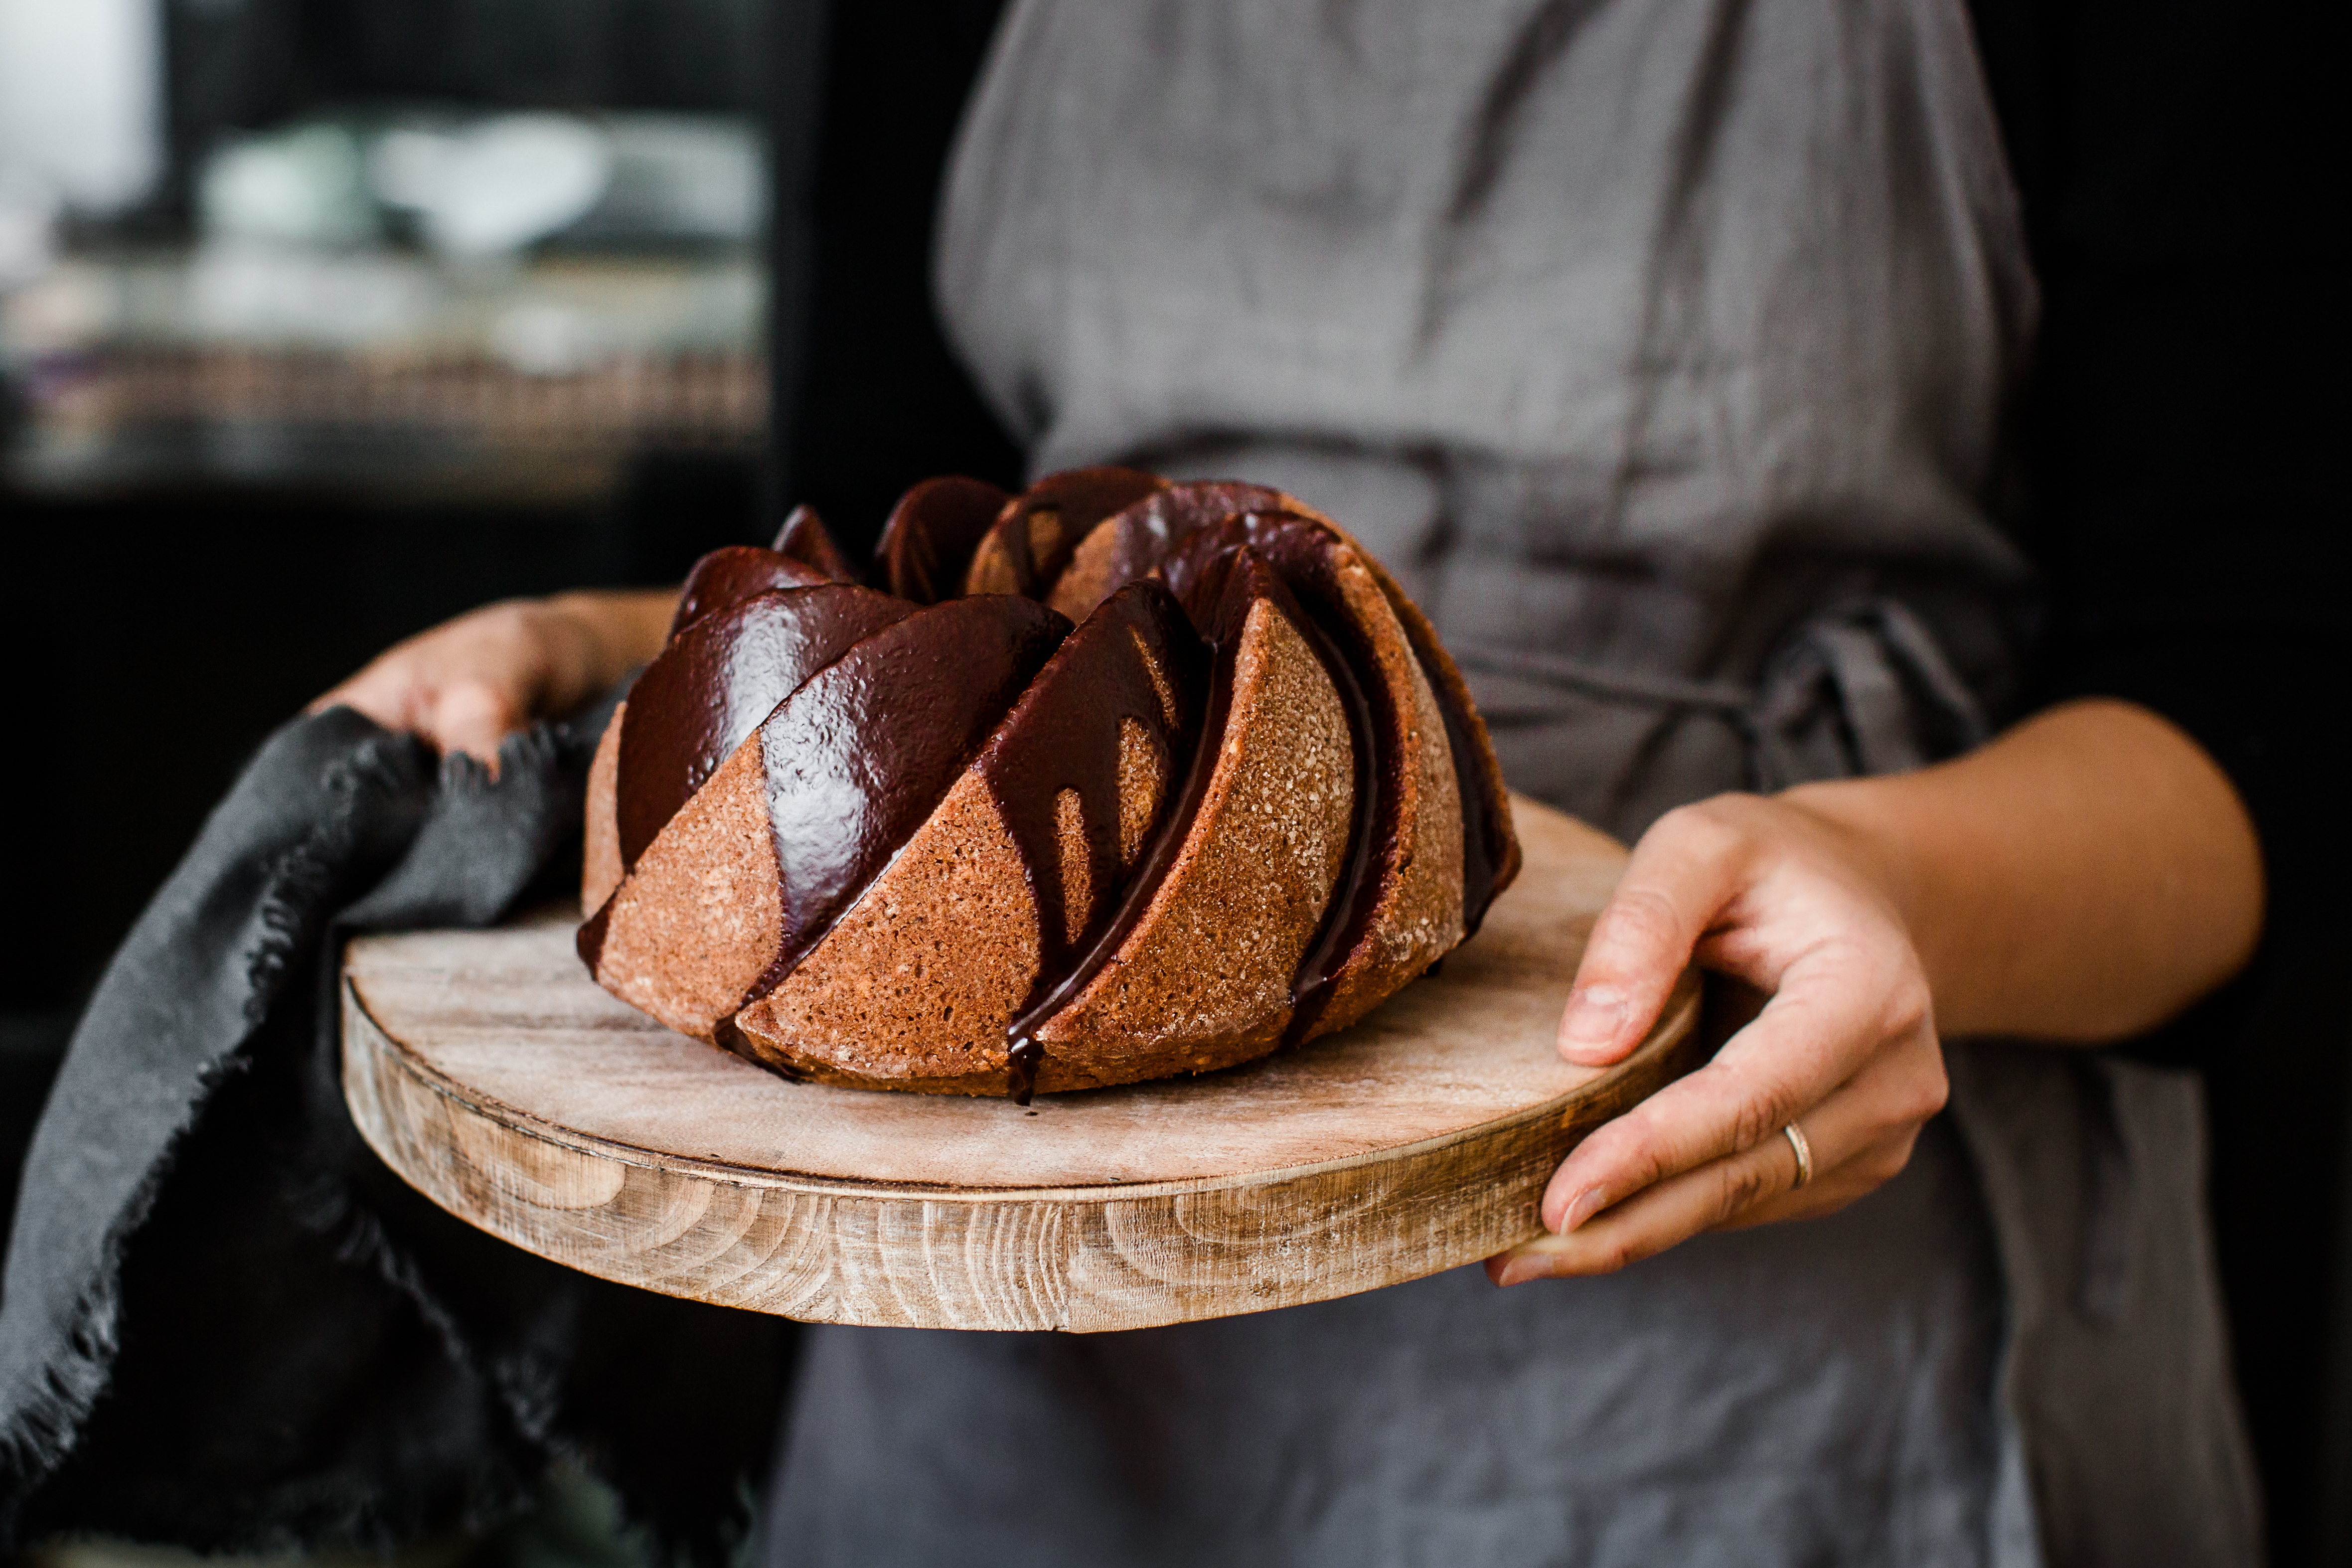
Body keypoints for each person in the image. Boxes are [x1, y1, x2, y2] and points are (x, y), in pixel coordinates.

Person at [319, 0, 2333, 1561]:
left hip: (1778, 1365)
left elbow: (2250, 718)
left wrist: (1895, 879)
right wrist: (635, 651)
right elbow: (924, 547)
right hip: (1018, 1369)